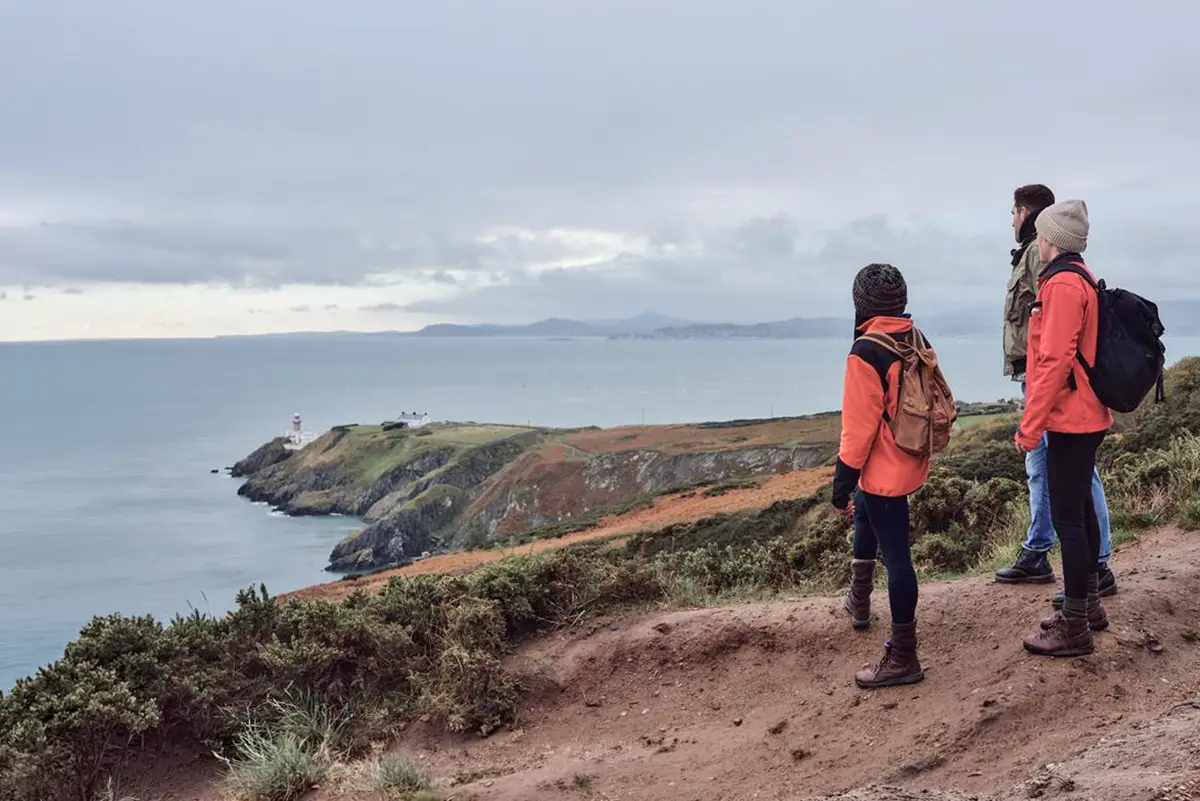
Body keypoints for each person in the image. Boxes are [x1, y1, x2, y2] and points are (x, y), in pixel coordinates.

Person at [996, 184, 1118, 609]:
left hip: (1067, 405)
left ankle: (1080, 605)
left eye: (1014, 213)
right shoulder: (1068, 274)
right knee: (1073, 495)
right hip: (1069, 402)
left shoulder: (1062, 280)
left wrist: (1030, 424)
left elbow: (1055, 355)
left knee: (1070, 501)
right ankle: (1085, 594)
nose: (1014, 222)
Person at [832, 263, 931, 688]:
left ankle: (904, 656)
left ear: (859, 304)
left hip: (883, 465)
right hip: (909, 456)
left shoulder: (866, 351)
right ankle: (859, 600)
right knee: (867, 512)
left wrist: (840, 487)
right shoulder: (912, 335)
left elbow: (857, 432)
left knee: (898, 560)